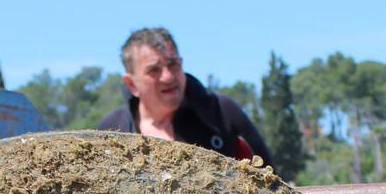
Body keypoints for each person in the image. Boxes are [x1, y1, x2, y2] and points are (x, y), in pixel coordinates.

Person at [98, 27, 271, 163]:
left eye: (173, 64)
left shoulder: (221, 112)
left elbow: (273, 186)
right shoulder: (112, 129)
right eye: (154, 70)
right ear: (131, 84)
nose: (168, 76)